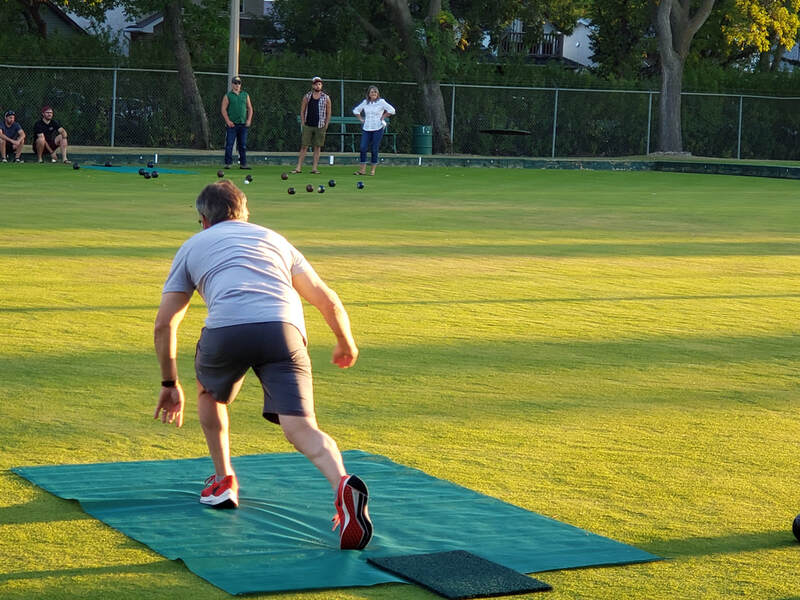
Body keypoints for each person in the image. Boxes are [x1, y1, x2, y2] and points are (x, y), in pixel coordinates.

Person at [153, 180, 372, 551]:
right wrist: (345, 341)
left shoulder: (193, 245)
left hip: (226, 330)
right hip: (284, 331)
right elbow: (327, 299)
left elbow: (165, 323)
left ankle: (224, 481)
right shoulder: (275, 240)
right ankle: (341, 483)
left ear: (203, 220)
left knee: (211, 394)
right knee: (301, 427)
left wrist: (169, 383)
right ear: (245, 213)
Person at [352, 86, 396, 177]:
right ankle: (362, 170)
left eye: (375, 92)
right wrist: (361, 119)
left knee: (374, 148)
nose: (374, 94)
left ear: (378, 93)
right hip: (367, 128)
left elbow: (392, 110)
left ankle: (372, 170)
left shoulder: (381, 102)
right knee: (363, 147)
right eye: (372, 92)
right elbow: (356, 110)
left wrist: (383, 116)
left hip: (378, 128)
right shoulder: (365, 102)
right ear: (369, 94)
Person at [292, 76, 330, 175]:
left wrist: (326, 124)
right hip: (308, 125)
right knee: (304, 146)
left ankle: (314, 168)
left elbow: (328, 112)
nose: (318, 86)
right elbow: (302, 110)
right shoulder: (307, 96)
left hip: (320, 125)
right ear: (313, 85)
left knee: (317, 146)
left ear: (321, 85)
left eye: (319, 84)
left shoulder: (326, 98)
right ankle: (298, 167)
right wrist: (303, 122)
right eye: (316, 84)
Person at [221, 75, 253, 170]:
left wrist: (249, 120)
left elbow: (250, 108)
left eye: (239, 83)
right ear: (232, 84)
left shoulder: (245, 95)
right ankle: (228, 163)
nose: (237, 85)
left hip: (243, 124)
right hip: (232, 124)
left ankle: (243, 164)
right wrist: (228, 121)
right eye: (235, 83)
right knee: (229, 144)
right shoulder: (228, 96)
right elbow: (223, 109)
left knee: (242, 145)